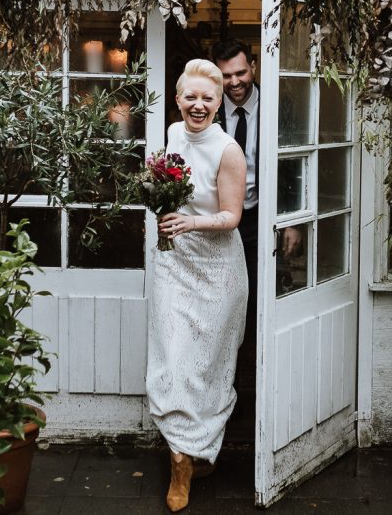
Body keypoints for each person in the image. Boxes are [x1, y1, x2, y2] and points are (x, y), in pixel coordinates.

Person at [146, 59, 249, 513]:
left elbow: (232, 218)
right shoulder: (171, 134)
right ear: (178, 100)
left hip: (218, 268)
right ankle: (179, 462)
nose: (199, 105)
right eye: (191, 96)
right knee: (174, 357)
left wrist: (190, 221)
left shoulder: (228, 151)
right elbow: (169, 185)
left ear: (219, 100)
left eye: (208, 97)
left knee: (207, 365)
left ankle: (197, 447)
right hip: (174, 262)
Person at [210, 40, 301, 407]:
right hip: (219, 222)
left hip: (262, 219)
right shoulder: (208, 110)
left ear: (254, 67)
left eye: (241, 73)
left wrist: (289, 219)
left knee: (259, 301)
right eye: (226, 75)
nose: (234, 82)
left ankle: (261, 391)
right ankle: (222, 390)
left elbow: (294, 163)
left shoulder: (280, 106)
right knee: (221, 303)